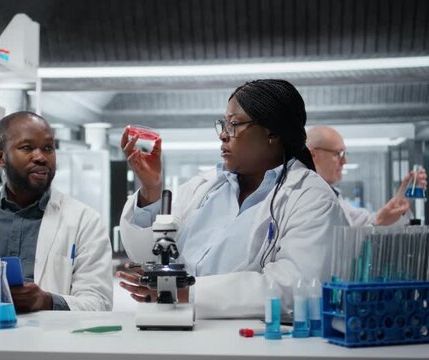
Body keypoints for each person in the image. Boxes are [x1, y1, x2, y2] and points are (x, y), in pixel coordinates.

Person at [117, 79, 347, 319]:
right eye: (223, 125)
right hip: (179, 329)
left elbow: (297, 287)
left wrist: (186, 293)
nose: (224, 136)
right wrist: (151, 188)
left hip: (252, 346)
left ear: (273, 132)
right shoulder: (205, 188)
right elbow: (145, 255)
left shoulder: (311, 198)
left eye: (235, 124)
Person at [0, 111, 113, 313]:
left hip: (52, 341)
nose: (41, 157)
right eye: (27, 148)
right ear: (1, 158)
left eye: (48, 148)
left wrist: (46, 301)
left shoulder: (85, 221)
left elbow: (99, 302)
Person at [306, 126, 427, 226]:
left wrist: (401, 201)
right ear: (313, 155)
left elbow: (368, 223)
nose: (345, 161)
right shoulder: (302, 197)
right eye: (338, 154)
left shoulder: (334, 197)